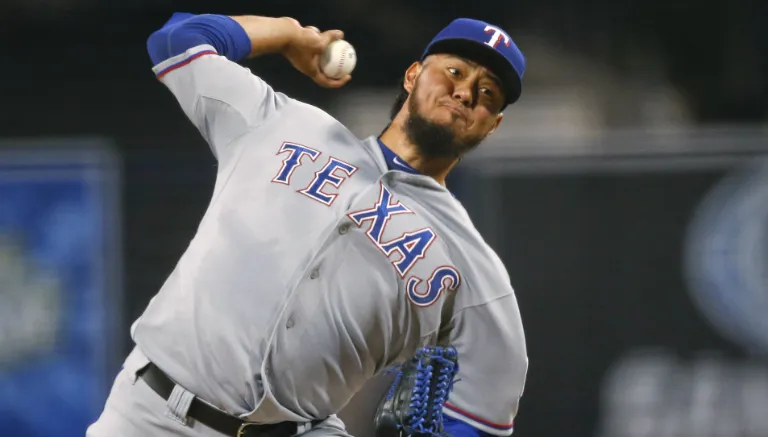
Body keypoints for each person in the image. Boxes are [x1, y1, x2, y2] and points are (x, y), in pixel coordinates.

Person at [86, 11, 528, 437]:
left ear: (493, 125)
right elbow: (176, 39)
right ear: (413, 75)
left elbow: (485, 410)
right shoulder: (285, 125)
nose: (467, 92)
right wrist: (289, 35)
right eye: (454, 71)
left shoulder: (472, 267)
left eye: (488, 93)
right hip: (152, 413)